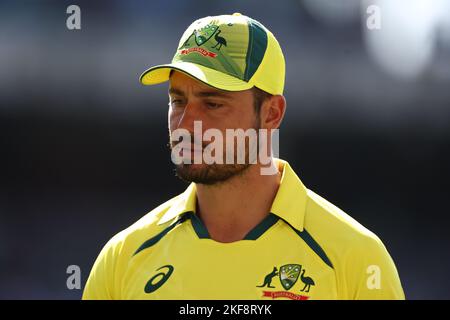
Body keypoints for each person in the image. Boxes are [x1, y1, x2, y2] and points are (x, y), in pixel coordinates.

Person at [83, 13, 404, 300]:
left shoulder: (356, 259)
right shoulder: (122, 258)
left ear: (272, 114)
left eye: (212, 104)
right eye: (178, 101)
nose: (184, 125)